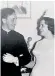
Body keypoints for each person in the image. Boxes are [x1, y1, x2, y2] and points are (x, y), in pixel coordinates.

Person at [1, 8, 31, 76]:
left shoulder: (19, 37)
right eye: (12, 19)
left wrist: (15, 59)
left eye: (16, 19)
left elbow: (27, 58)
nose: (15, 23)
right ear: (4, 20)